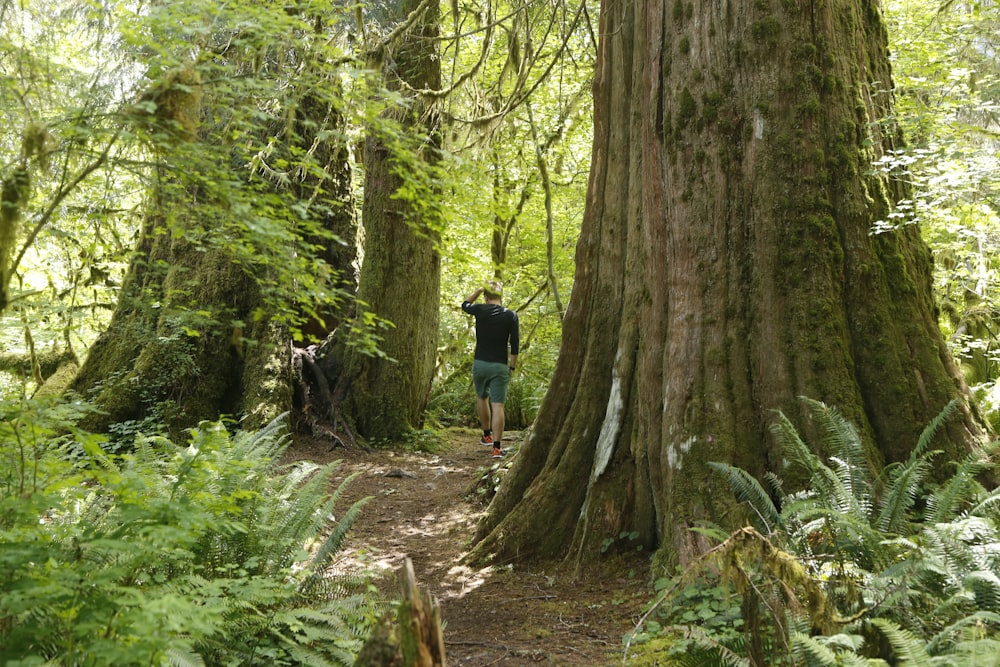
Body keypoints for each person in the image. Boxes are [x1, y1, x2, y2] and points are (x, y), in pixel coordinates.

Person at [462, 280, 519, 458]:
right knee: (498, 405)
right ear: (501, 297)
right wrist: (512, 367)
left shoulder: (479, 309)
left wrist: (478, 289)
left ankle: (486, 435)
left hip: (480, 363)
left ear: (486, 297)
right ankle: (496, 447)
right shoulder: (510, 315)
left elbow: (465, 304)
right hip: (500, 365)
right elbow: (515, 345)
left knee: (482, 397)